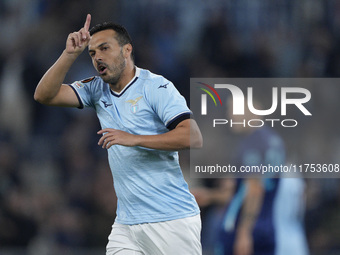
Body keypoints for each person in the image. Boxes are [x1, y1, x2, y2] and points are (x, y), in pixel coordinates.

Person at [34, 14, 203, 255]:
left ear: (126, 50)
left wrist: (134, 139)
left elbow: (193, 137)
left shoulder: (156, 87)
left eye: (104, 48)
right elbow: (44, 95)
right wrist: (70, 54)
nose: (98, 57)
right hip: (126, 224)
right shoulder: (96, 88)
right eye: (92, 53)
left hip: (171, 219)